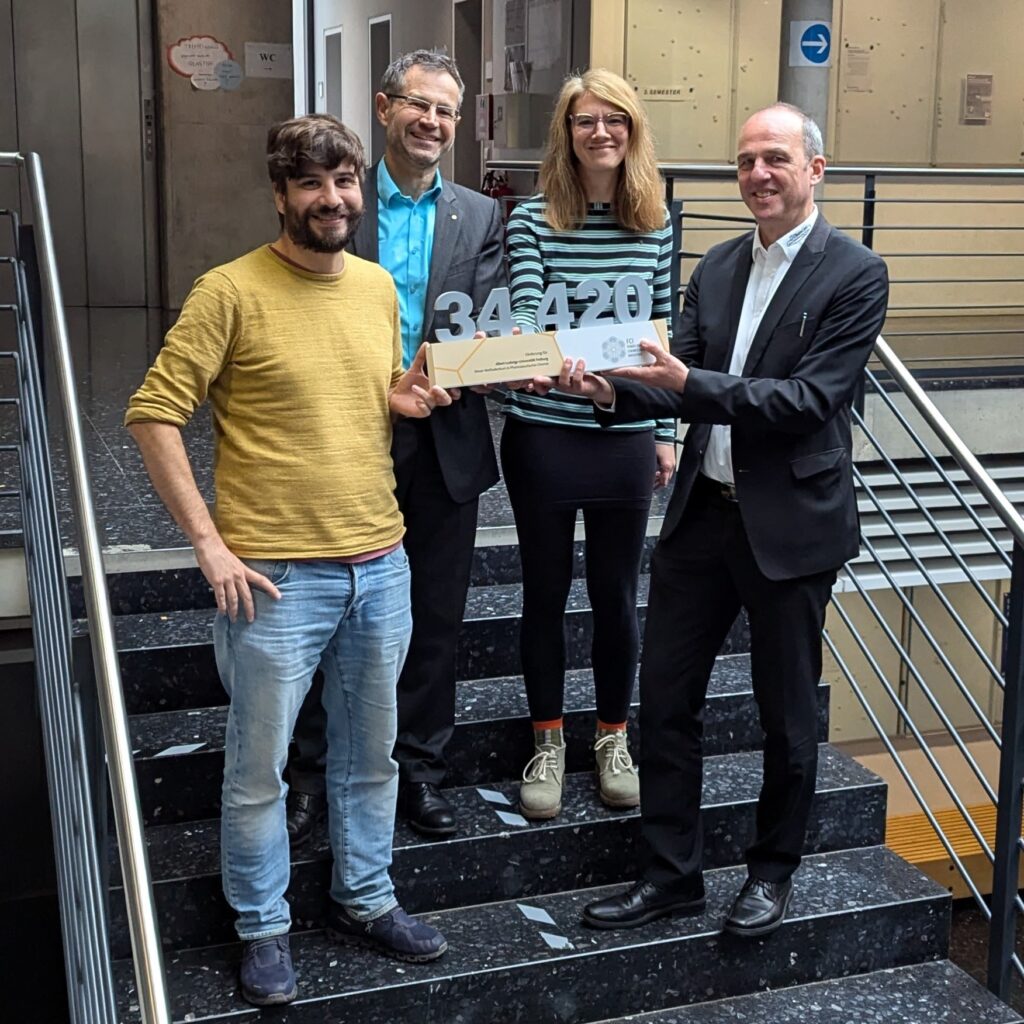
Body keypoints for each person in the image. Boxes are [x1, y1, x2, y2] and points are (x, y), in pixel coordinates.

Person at [125, 115, 451, 1007]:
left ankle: (366, 897)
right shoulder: (228, 291)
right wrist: (208, 544)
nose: (332, 198)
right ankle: (262, 926)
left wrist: (403, 396)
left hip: (380, 564)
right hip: (275, 581)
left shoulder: (380, 288)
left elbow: (366, 389)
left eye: (343, 181)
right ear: (280, 194)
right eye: (311, 184)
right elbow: (155, 412)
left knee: (371, 756)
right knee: (258, 769)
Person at [555, 103, 888, 937]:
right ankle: (671, 876)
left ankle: (772, 873)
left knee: (787, 718)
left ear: (816, 169)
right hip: (702, 518)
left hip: (792, 529)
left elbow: (808, 402)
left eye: (775, 158)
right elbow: (679, 367)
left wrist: (678, 386)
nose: (758, 175)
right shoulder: (719, 264)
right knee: (664, 704)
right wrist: (606, 389)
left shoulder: (855, 274)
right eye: (745, 162)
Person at [286, 50, 505, 841]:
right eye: (418, 105)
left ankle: (419, 769)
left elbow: (487, 319)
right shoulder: (339, 202)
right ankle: (311, 771)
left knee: (435, 616)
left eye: (446, 112)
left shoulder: (480, 216)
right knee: (326, 613)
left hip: (447, 436)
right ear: (384, 110)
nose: (433, 123)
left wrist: (491, 358)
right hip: (349, 437)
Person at [501, 69, 677, 821]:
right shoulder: (533, 219)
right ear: (565, 134)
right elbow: (530, 306)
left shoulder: (658, 223)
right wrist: (542, 351)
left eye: (615, 120)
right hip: (546, 435)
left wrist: (668, 431)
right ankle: (547, 739)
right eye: (584, 121)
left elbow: (668, 329)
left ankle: (612, 736)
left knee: (615, 595)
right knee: (544, 593)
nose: (600, 132)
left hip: (627, 437)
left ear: (633, 130)